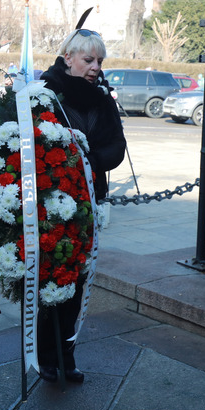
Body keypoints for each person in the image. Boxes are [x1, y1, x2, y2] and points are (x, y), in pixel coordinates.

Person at [36, 27, 127, 384]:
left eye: (99, 61)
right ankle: (46, 355)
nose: (95, 67)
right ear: (68, 58)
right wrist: (70, 162)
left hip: (88, 200)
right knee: (52, 278)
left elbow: (115, 148)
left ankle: (66, 355)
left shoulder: (102, 99)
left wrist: (85, 159)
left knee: (78, 279)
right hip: (53, 202)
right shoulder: (45, 94)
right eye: (88, 59)